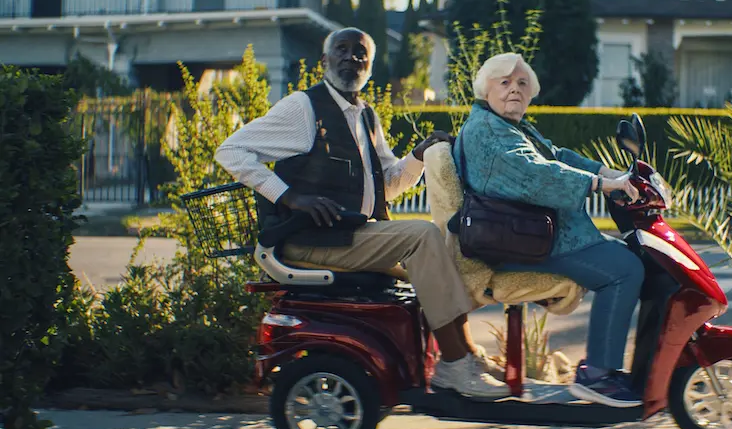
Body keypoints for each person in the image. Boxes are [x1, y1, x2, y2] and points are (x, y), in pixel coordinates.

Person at [215, 27, 506, 398]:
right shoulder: (302, 108)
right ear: (324, 61)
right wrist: (289, 197)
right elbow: (231, 151)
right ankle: (454, 366)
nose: (352, 57)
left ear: (369, 66)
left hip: (348, 235)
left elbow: (386, 184)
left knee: (444, 255)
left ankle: (465, 355)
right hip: (312, 239)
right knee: (423, 237)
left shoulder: (365, 115)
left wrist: (417, 156)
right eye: (342, 49)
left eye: (360, 53)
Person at [454, 52, 646, 408]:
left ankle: (608, 369)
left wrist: (609, 174)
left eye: (522, 83)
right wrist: (599, 186)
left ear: (530, 94)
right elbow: (534, 175)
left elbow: (555, 155)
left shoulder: (508, 125)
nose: (514, 89)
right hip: (520, 242)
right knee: (626, 269)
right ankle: (599, 376)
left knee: (630, 256)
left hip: (534, 234)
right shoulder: (487, 131)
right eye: (504, 82)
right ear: (486, 89)